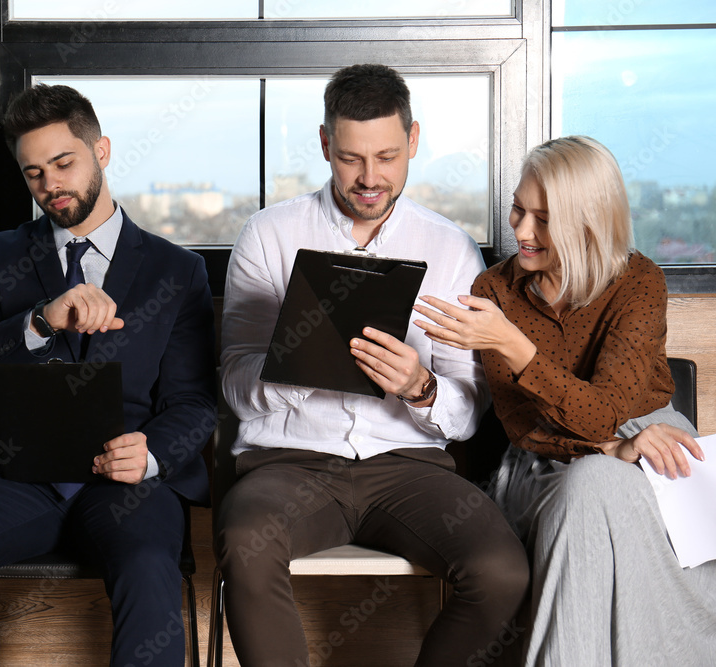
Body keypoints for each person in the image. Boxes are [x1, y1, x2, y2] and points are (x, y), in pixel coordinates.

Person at [216, 63, 529, 667]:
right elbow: (233, 384)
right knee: (246, 543)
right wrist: (300, 365)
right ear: (326, 144)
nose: (369, 178)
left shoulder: (449, 248)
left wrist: (420, 385)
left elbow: (467, 411)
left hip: (409, 468)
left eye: (387, 156)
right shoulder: (267, 235)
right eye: (351, 158)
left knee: (501, 571)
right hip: (289, 465)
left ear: (413, 142)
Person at [0, 84, 217, 667]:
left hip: (128, 482)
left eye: (63, 163)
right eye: (33, 174)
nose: (50, 185)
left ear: (101, 150)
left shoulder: (178, 271)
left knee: (150, 564)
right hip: (14, 477)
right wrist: (38, 321)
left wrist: (149, 454)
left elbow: (194, 402)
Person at [415, 135, 716, 664]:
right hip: (541, 463)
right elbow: (523, 428)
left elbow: (608, 410)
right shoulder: (494, 292)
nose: (522, 231)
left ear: (588, 222)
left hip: (654, 448)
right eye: (517, 209)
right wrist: (607, 453)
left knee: (601, 488)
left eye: (544, 219)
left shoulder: (638, 281)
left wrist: (514, 345)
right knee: (592, 483)